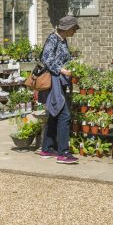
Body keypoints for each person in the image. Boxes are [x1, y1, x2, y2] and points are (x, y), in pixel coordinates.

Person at [37, 15, 80, 164]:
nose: (75, 31)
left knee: (55, 113)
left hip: (61, 81)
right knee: (64, 114)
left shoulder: (63, 40)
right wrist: (62, 70)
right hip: (54, 80)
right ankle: (63, 153)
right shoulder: (53, 39)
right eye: (74, 28)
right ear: (67, 28)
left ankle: (47, 148)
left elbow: (61, 58)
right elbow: (46, 59)